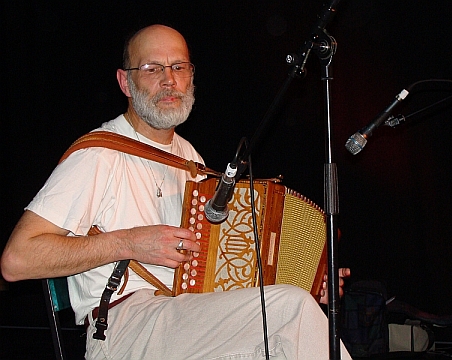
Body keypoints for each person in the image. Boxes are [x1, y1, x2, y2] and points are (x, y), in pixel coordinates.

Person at [1, 24, 352, 359]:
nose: (169, 80)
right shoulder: (99, 155)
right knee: (289, 311)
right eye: (152, 68)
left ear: (192, 77)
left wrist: (310, 278)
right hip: (125, 327)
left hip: (184, 317)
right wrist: (130, 242)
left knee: (290, 317)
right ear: (125, 82)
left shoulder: (189, 157)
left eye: (179, 67)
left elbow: (225, 271)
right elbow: (17, 261)